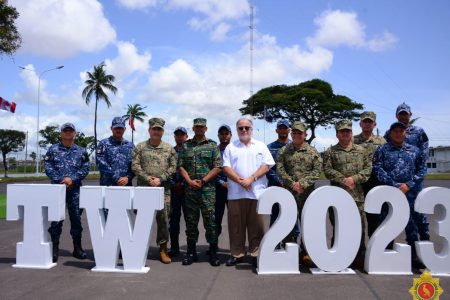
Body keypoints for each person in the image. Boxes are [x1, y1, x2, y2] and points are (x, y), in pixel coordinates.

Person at [374, 121, 428, 269]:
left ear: (406, 133)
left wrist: (408, 185)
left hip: (410, 194)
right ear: (390, 134)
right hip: (389, 193)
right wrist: (394, 184)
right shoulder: (382, 150)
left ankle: (414, 256)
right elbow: (377, 168)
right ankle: (387, 253)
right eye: (395, 131)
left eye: (401, 131)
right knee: (386, 222)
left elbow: (422, 170)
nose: (398, 133)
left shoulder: (415, 150)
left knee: (412, 225)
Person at [223, 117, 275, 268]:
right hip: (236, 193)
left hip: (257, 193)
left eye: (247, 127)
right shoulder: (231, 147)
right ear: (237, 130)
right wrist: (240, 181)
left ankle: (255, 254)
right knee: (236, 226)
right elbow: (226, 167)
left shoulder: (261, 146)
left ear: (252, 129)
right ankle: (237, 254)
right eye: (241, 128)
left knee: (256, 226)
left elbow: (267, 165)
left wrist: (251, 179)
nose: (244, 130)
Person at [323, 120, 371, 269]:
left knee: (360, 228)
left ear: (351, 133)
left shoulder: (362, 150)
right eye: (342, 131)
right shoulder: (330, 152)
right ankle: (336, 256)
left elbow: (368, 169)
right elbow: (327, 170)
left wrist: (354, 179)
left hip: (357, 197)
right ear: (337, 134)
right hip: (337, 197)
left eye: (348, 131)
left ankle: (360, 257)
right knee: (338, 226)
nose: (345, 133)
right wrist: (343, 180)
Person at [131, 117, 177, 264]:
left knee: (163, 220)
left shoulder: (169, 148)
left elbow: (173, 167)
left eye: (159, 129)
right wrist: (148, 178)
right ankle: (138, 248)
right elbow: (135, 165)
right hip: (144, 189)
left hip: (163, 190)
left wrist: (160, 178)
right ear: (149, 130)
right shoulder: (140, 147)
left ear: (162, 131)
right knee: (142, 219)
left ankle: (163, 249)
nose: (156, 131)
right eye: (154, 129)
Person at [276, 121, 322, 267]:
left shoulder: (313, 152)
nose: (296, 135)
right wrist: (292, 184)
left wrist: (302, 184)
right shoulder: (284, 151)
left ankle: (307, 252)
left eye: (299, 133)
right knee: (288, 222)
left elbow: (317, 171)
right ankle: (290, 250)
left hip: (307, 194)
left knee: (308, 224)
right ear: (291, 134)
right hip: (289, 193)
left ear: (305, 135)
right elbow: (280, 169)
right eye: (294, 133)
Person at [178, 118, 222, 266]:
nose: (199, 129)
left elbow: (217, 167)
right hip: (190, 190)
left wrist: (203, 181)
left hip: (207, 191)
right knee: (191, 222)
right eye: (196, 127)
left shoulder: (212, 146)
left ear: (206, 128)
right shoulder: (186, 146)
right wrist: (190, 181)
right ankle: (191, 253)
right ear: (193, 128)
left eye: (201, 127)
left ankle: (213, 253)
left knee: (210, 222)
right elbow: (181, 166)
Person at [44, 122, 90, 263]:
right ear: (61, 133)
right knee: (56, 220)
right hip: (57, 189)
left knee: (76, 219)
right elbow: (48, 167)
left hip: (75, 190)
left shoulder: (81, 151)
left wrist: (72, 179)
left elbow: (85, 168)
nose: (68, 132)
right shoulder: (53, 150)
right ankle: (55, 249)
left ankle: (77, 248)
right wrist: (61, 180)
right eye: (65, 130)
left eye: (71, 130)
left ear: (75, 133)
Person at [384, 102, 430, 241]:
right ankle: (411, 245)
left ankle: (425, 242)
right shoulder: (389, 132)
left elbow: (424, 152)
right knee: (401, 213)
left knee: (419, 212)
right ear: (397, 115)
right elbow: (387, 151)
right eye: (400, 114)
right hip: (396, 181)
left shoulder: (419, 131)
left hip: (414, 180)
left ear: (410, 114)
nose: (403, 116)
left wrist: (413, 179)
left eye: (405, 113)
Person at [353, 111, 386, 237]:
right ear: (360, 124)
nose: (367, 124)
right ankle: (359, 248)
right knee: (357, 216)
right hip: (358, 183)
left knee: (374, 216)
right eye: (365, 121)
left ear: (375, 124)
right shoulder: (353, 140)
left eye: (370, 122)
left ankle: (373, 246)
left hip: (375, 182)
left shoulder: (381, 141)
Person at [267, 120, 299, 245]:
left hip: (292, 188)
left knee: (292, 215)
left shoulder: (295, 146)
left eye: (285, 128)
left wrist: (291, 183)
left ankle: (292, 243)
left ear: (289, 130)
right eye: (280, 128)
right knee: (275, 215)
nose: (282, 130)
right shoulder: (270, 148)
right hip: (276, 187)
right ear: (276, 131)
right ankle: (273, 244)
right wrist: (280, 181)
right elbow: (268, 169)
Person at [96, 117, 135, 217]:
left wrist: (128, 177)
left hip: (125, 186)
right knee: (107, 217)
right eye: (116, 128)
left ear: (125, 129)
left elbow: (134, 165)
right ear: (111, 128)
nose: (118, 130)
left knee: (124, 218)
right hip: (108, 186)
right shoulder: (104, 144)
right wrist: (116, 178)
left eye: (121, 128)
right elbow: (101, 163)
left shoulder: (130, 146)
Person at [168, 126, 188, 257]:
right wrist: (174, 185)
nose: (179, 137)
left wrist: (184, 184)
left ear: (186, 136)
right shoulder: (169, 152)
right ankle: (174, 247)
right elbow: (165, 170)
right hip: (174, 191)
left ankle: (191, 248)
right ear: (174, 136)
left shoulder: (191, 150)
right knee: (173, 221)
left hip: (188, 191)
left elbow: (194, 170)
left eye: (182, 135)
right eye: (177, 135)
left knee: (190, 221)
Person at [215, 124, 232, 238]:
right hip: (218, 189)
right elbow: (210, 170)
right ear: (218, 136)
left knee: (235, 220)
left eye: (226, 133)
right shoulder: (214, 151)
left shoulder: (237, 150)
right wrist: (222, 183)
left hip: (234, 189)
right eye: (222, 134)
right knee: (216, 219)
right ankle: (213, 248)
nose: (224, 136)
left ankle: (235, 249)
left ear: (231, 135)